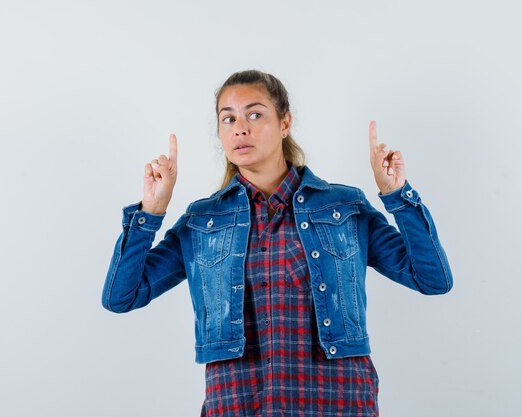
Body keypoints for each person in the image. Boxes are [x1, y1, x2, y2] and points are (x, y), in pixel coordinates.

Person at [102, 70, 453, 416]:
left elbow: (432, 279)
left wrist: (396, 196)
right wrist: (152, 210)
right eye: (228, 119)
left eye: (255, 114)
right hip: (240, 403)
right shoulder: (202, 222)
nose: (241, 128)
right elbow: (121, 296)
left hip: (338, 401)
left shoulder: (344, 208)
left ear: (284, 123)